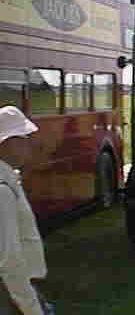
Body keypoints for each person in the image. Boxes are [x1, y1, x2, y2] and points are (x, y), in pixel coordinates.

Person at [0, 106, 52, 315]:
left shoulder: (8, 180)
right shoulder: (3, 189)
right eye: (24, 137)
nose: (29, 144)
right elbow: (8, 260)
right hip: (11, 295)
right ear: (7, 143)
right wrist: (32, 309)